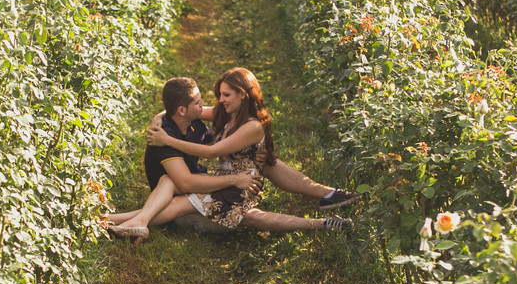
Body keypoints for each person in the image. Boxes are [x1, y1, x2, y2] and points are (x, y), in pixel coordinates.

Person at [106, 72, 357, 239]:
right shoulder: (225, 113)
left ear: (242, 96)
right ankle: (326, 215)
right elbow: (178, 110)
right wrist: (158, 117)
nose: (219, 101)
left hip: (240, 185)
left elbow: (211, 151)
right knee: (250, 215)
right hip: (229, 182)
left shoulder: (251, 125)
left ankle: (328, 200)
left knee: (261, 184)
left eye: (225, 95)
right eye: (219, 95)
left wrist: (168, 140)